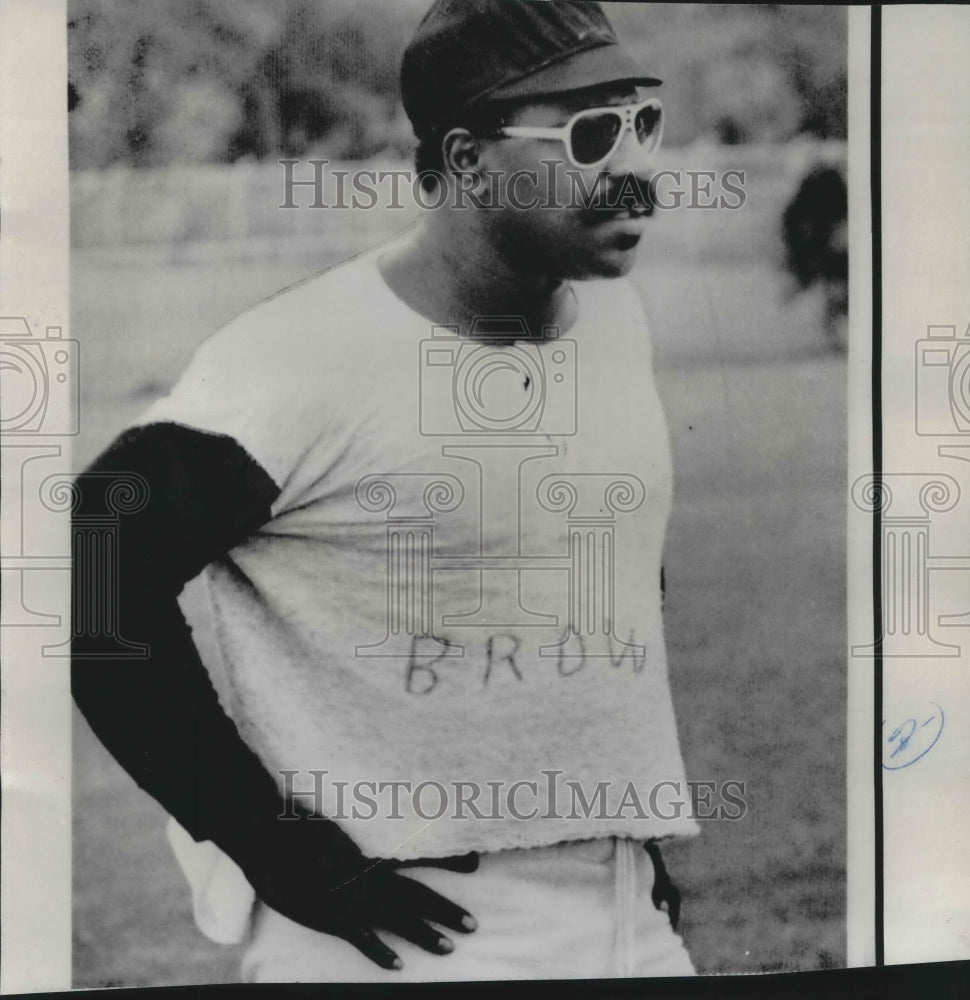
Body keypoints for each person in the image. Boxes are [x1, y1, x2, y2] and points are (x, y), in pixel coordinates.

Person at [72, 0, 700, 982]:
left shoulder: (612, 323)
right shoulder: (301, 360)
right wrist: (276, 849)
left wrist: (627, 836)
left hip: (624, 914)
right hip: (412, 935)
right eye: (587, 134)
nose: (635, 170)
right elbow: (96, 564)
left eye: (642, 125)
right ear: (462, 159)